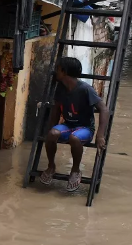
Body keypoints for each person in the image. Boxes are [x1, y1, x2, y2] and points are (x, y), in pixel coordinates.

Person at [40, 57, 110, 191]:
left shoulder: (85, 89)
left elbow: (104, 109)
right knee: (52, 133)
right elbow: (55, 109)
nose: (55, 72)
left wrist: (100, 135)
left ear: (64, 71)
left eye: (58, 69)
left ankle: (76, 170)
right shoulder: (60, 88)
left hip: (85, 128)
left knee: (74, 138)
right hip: (68, 125)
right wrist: (50, 130)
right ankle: (51, 166)